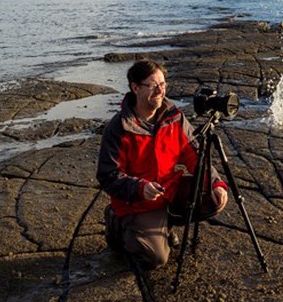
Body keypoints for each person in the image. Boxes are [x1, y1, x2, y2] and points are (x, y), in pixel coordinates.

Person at [97, 59, 228, 270]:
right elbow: (108, 176)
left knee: (212, 199)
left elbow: (195, 155)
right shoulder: (119, 128)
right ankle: (117, 224)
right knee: (156, 259)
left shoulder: (173, 116)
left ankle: (164, 224)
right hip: (138, 202)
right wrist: (139, 188)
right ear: (135, 88)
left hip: (169, 190)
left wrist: (216, 184)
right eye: (153, 85)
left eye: (163, 84)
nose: (160, 91)